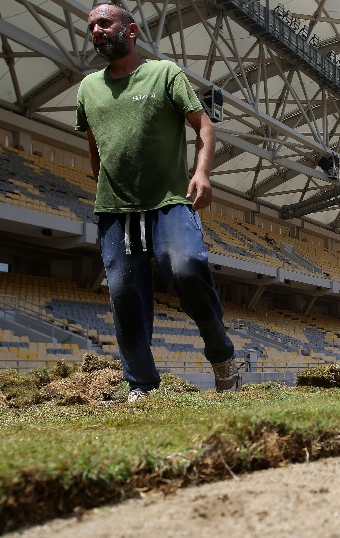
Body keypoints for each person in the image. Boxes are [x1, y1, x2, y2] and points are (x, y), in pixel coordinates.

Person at [75, 3, 239, 401]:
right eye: (91, 26)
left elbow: (204, 126)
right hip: (116, 209)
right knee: (125, 296)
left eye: (104, 23)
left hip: (169, 201)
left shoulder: (164, 73)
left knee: (186, 268)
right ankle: (142, 386)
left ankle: (222, 356)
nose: (96, 30)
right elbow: (95, 146)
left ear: (130, 31)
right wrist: (105, 187)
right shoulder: (87, 88)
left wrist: (200, 174)